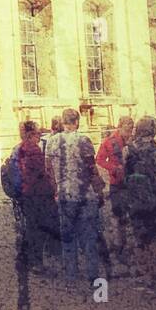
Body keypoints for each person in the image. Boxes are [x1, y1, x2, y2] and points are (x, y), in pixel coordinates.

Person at [42, 107, 98, 284]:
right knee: (88, 234)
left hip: (64, 194)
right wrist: (98, 188)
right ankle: (92, 272)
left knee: (68, 235)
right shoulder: (83, 140)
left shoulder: (52, 142)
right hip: (84, 193)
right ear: (77, 122)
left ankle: (71, 274)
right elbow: (91, 168)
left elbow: (48, 169)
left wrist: (56, 189)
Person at [123, 117, 156, 283]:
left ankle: (147, 275)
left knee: (141, 237)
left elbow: (125, 173)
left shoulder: (129, 149)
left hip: (137, 200)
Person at [13, 121, 56, 272]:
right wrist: (52, 189)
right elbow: (41, 174)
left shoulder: (19, 148)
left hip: (26, 193)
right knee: (40, 228)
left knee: (31, 227)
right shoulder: (34, 150)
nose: (39, 136)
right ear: (31, 135)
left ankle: (27, 260)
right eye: (38, 134)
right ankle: (37, 262)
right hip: (37, 194)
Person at [96, 116, 134, 268]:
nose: (129, 133)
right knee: (118, 215)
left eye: (131, 130)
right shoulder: (110, 142)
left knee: (126, 216)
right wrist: (113, 168)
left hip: (130, 183)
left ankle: (122, 244)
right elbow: (99, 159)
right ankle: (118, 247)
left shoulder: (131, 142)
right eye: (127, 130)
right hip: (117, 183)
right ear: (120, 127)